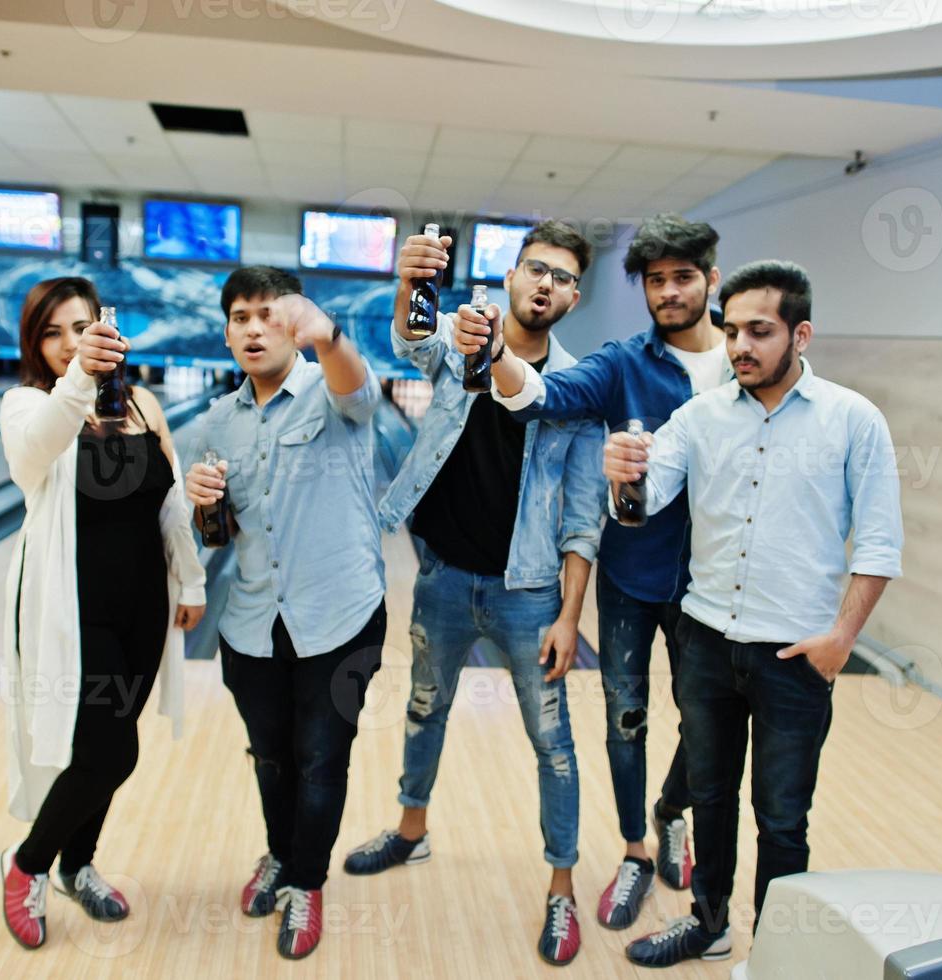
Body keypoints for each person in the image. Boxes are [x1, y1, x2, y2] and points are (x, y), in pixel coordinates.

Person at [601, 260, 904, 965]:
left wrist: (840, 639)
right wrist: (622, 476)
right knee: (709, 797)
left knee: (782, 818)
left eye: (758, 331)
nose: (739, 344)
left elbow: (881, 543)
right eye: (731, 329)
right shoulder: (699, 417)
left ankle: (776, 952)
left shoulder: (853, 420)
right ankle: (708, 926)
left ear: (800, 335)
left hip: (795, 657)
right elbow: (643, 509)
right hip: (704, 642)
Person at [457, 214, 732, 929]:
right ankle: (636, 851)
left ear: (712, 280)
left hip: (720, 586)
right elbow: (542, 396)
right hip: (633, 578)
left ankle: (672, 810)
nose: (668, 292)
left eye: (682, 278)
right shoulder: (620, 364)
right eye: (655, 281)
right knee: (624, 719)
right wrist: (495, 357)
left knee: (710, 723)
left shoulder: (744, 363)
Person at [342, 221, 605, 967]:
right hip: (444, 579)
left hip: (527, 595)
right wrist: (407, 284)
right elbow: (407, 343)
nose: (544, 283)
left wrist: (568, 616)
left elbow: (584, 518)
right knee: (424, 711)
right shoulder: (464, 339)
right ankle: (410, 831)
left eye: (560, 275)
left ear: (573, 295)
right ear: (514, 275)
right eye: (534, 269)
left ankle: (560, 889)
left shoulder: (578, 388)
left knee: (551, 746)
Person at [183, 266, 387, 961]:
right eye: (239, 316)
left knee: (322, 758)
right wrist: (200, 500)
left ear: (294, 324)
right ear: (227, 330)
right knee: (271, 756)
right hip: (250, 622)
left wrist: (327, 333)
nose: (253, 328)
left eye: (269, 314)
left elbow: (358, 388)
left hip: (341, 616)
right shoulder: (214, 422)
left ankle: (306, 882)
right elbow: (211, 532)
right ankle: (279, 855)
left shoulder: (335, 395)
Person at [0, 276, 206, 950]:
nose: (68, 343)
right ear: (36, 342)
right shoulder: (26, 406)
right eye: (52, 332)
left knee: (101, 751)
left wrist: (193, 580)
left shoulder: (143, 402)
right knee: (110, 751)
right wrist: (82, 377)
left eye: (80, 327)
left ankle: (77, 866)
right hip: (70, 609)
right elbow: (38, 451)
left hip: (143, 606)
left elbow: (169, 498)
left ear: (105, 328)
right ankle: (26, 865)